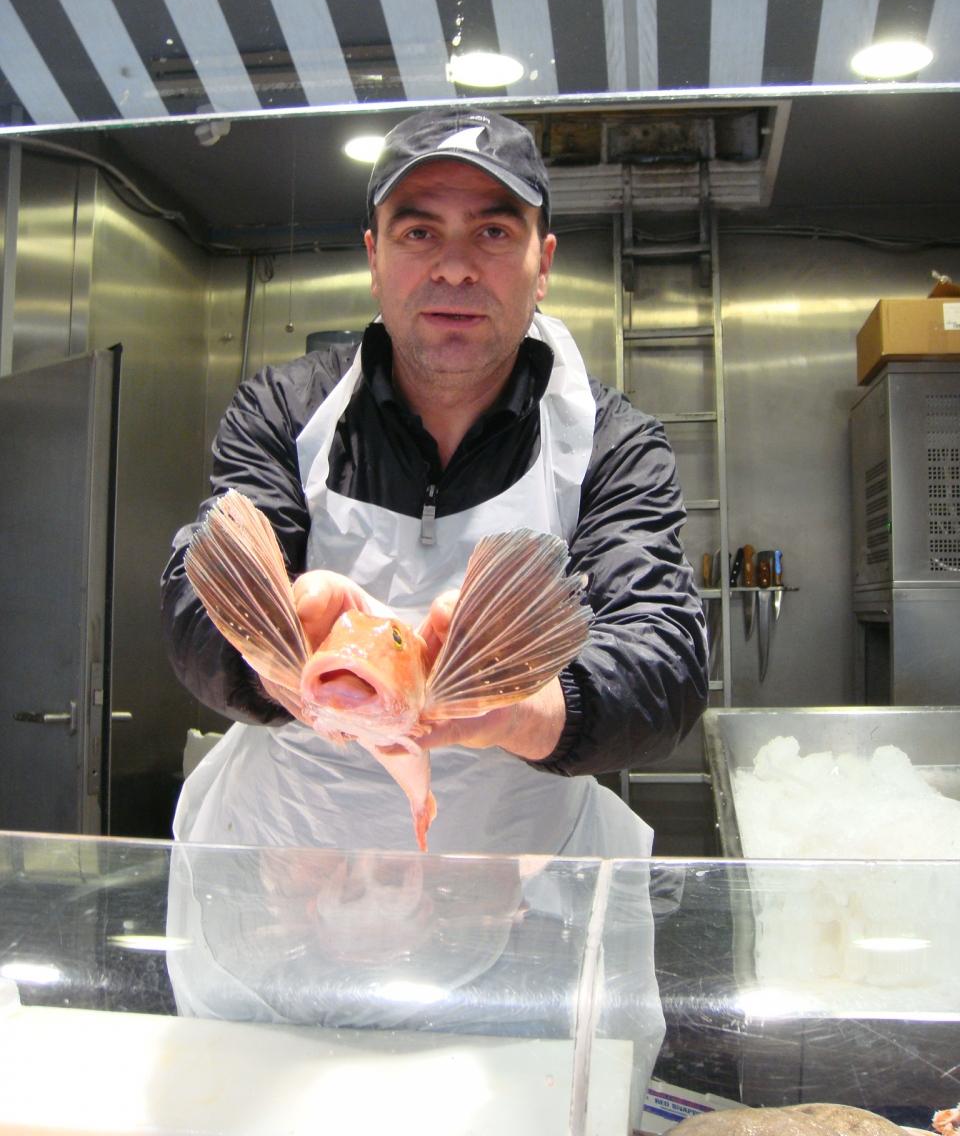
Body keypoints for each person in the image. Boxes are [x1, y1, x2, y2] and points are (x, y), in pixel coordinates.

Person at [160, 105, 709, 858]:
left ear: (544, 263)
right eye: (419, 233)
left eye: (493, 232)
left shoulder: (611, 443)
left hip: (522, 878)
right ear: (374, 258)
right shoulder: (285, 410)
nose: (454, 267)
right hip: (290, 859)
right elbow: (199, 592)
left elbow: (664, 655)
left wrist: (520, 707)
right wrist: (280, 653)